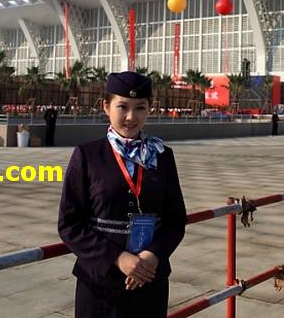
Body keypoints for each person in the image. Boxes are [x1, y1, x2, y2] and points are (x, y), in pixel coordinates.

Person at [58, 71, 187, 318]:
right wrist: (117, 258)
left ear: (150, 108)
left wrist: (153, 255)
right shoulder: (87, 156)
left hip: (150, 280)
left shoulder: (162, 156)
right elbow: (70, 225)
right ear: (105, 106)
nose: (131, 117)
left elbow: (175, 219)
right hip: (99, 283)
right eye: (122, 107)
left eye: (140, 107)